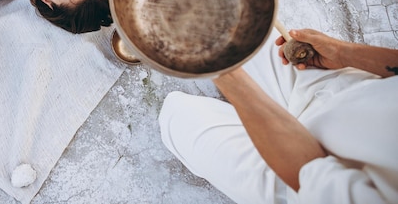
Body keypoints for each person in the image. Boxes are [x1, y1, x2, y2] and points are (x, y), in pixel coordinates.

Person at [159, 27, 398, 204]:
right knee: (228, 26)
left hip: (297, 181)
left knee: (176, 115)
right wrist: (342, 53)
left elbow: (310, 175)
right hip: (348, 92)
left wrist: (227, 74)